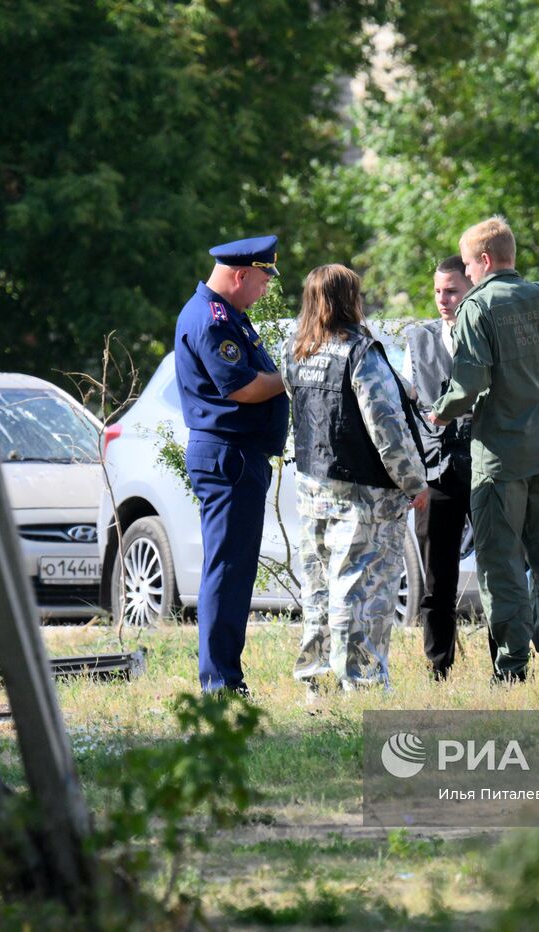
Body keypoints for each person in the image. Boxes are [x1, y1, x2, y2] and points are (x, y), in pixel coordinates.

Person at [428, 175, 539, 683]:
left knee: (501, 567)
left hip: (499, 461)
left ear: (480, 262)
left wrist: (442, 408)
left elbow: (470, 380)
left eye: (468, 264)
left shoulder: (477, 307)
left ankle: (512, 666)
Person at [284, 264, 429, 693]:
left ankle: (317, 683)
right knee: (361, 590)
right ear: (350, 299)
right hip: (364, 495)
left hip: (313, 486)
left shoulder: (296, 351)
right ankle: (362, 682)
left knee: (318, 588)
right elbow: (386, 425)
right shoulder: (360, 353)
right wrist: (413, 482)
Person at [173, 235, 289, 694]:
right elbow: (242, 388)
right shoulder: (213, 319)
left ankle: (223, 676)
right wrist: (294, 375)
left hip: (236, 455)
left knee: (233, 569)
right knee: (227, 570)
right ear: (240, 275)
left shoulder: (230, 317)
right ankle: (219, 682)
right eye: (262, 281)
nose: (264, 290)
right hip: (228, 455)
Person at [402, 255, 473, 680]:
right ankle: (438, 665)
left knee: (500, 573)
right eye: (437, 291)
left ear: (470, 289)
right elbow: (410, 406)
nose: (443, 300)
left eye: (452, 291)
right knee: (436, 578)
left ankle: (507, 667)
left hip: (484, 464)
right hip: (436, 470)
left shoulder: (486, 332)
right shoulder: (419, 339)